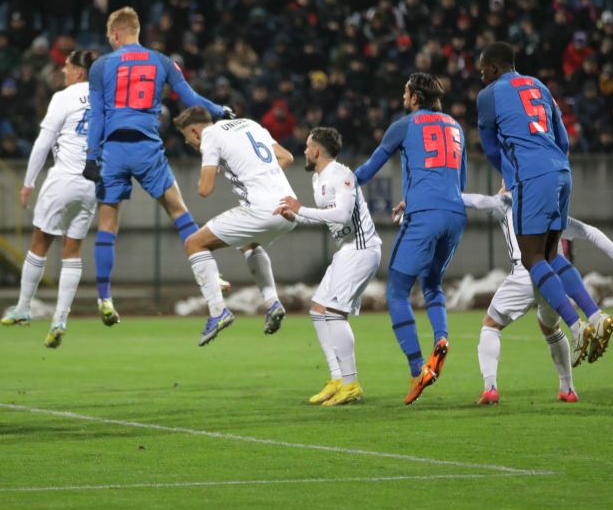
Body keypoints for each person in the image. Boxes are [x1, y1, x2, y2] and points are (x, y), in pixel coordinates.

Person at [82, 7, 229, 326]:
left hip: (114, 150)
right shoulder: (161, 61)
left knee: (107, 224)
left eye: (110, 36)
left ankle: (105, 299)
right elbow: (189, 96)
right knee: (178, 211)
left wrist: (92, 157)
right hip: (147, 147)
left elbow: (97, 116)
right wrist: (219, 110)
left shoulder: (101, 65)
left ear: (116, 34)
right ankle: (211, 278)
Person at [476, 42, 613, 366]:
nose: (480, 75)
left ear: (494, 68)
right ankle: (594, 316)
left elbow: (491, 151)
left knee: (532, 256)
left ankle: (577, 326)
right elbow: (564, 139)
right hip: (562, 172)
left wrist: (511, 176)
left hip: (531, 176)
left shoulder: (488, 96)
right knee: (553, 254)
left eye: (483, 69)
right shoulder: (538, 85)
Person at [462, 188, 613, 405]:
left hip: (525, 274)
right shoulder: (548, 207)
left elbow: (474, 200)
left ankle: (490, 389)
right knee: (550, 328)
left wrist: (437, 196)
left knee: (490, 325)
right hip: (554, 278)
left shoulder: (505, 202)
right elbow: (589, 231)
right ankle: (568, 388)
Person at [354, 74, 465, 405]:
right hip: (456, 214)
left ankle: (418, 368)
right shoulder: (456, 126)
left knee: (397, 291)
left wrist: (337, 177)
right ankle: (441, 338)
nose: (403, 97)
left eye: (406, 93)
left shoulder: (404, 125)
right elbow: (459, 179)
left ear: (415, 98)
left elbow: (369, 169)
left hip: (425, 216)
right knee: (432, 284)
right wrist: (413, 197)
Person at [274, 126, 381, 407]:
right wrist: (294, 216)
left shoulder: (342, 174)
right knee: (318, 311)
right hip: (347, 251)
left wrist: (302, 209)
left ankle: (351, 383)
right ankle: (337, 378)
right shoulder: (319, 178)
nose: (305, 151)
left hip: (361, 250)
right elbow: (327, 218)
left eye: (308, 147)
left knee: (334, 314)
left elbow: (343, 215)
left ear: (317, 151)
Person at [173, 106, 294, 345]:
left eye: (188, 139)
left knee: (194, 243)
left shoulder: (209, 136)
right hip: (289, 208)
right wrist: (257, 173)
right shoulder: (250, 123)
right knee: (248, 244)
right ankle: (272, 303)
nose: (190, 144)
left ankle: (218, 311)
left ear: (195, 132)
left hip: (261, 210)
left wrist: (213, 166)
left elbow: (204, 190)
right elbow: (286, 157)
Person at [1, 50, 97, 348]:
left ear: (80, 72)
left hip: (63, 178)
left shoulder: (63, 97)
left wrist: (28, 182)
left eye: (67, 66)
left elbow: (43, 142)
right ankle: (60, 318)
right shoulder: (106, 99)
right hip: (92, 183)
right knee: (72, 249)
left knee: (40, 243)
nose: (63, 71)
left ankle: (23, 307)